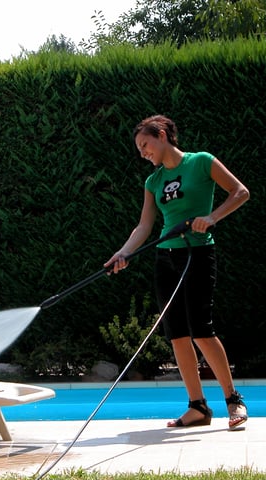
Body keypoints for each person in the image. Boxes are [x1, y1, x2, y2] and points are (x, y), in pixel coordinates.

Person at [104, 114, 250, 430]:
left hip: (197, 253)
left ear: (161, 135)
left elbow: (240, 192)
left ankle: (233, 399)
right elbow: (144, 225)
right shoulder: (153, 181)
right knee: (178, 336)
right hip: (165, 258)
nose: (143, 153)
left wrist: (211, 217)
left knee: (201, 330)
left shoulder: (201, 162)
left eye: (145, 144)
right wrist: (124, 252)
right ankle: (197, 407)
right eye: (139, 149)